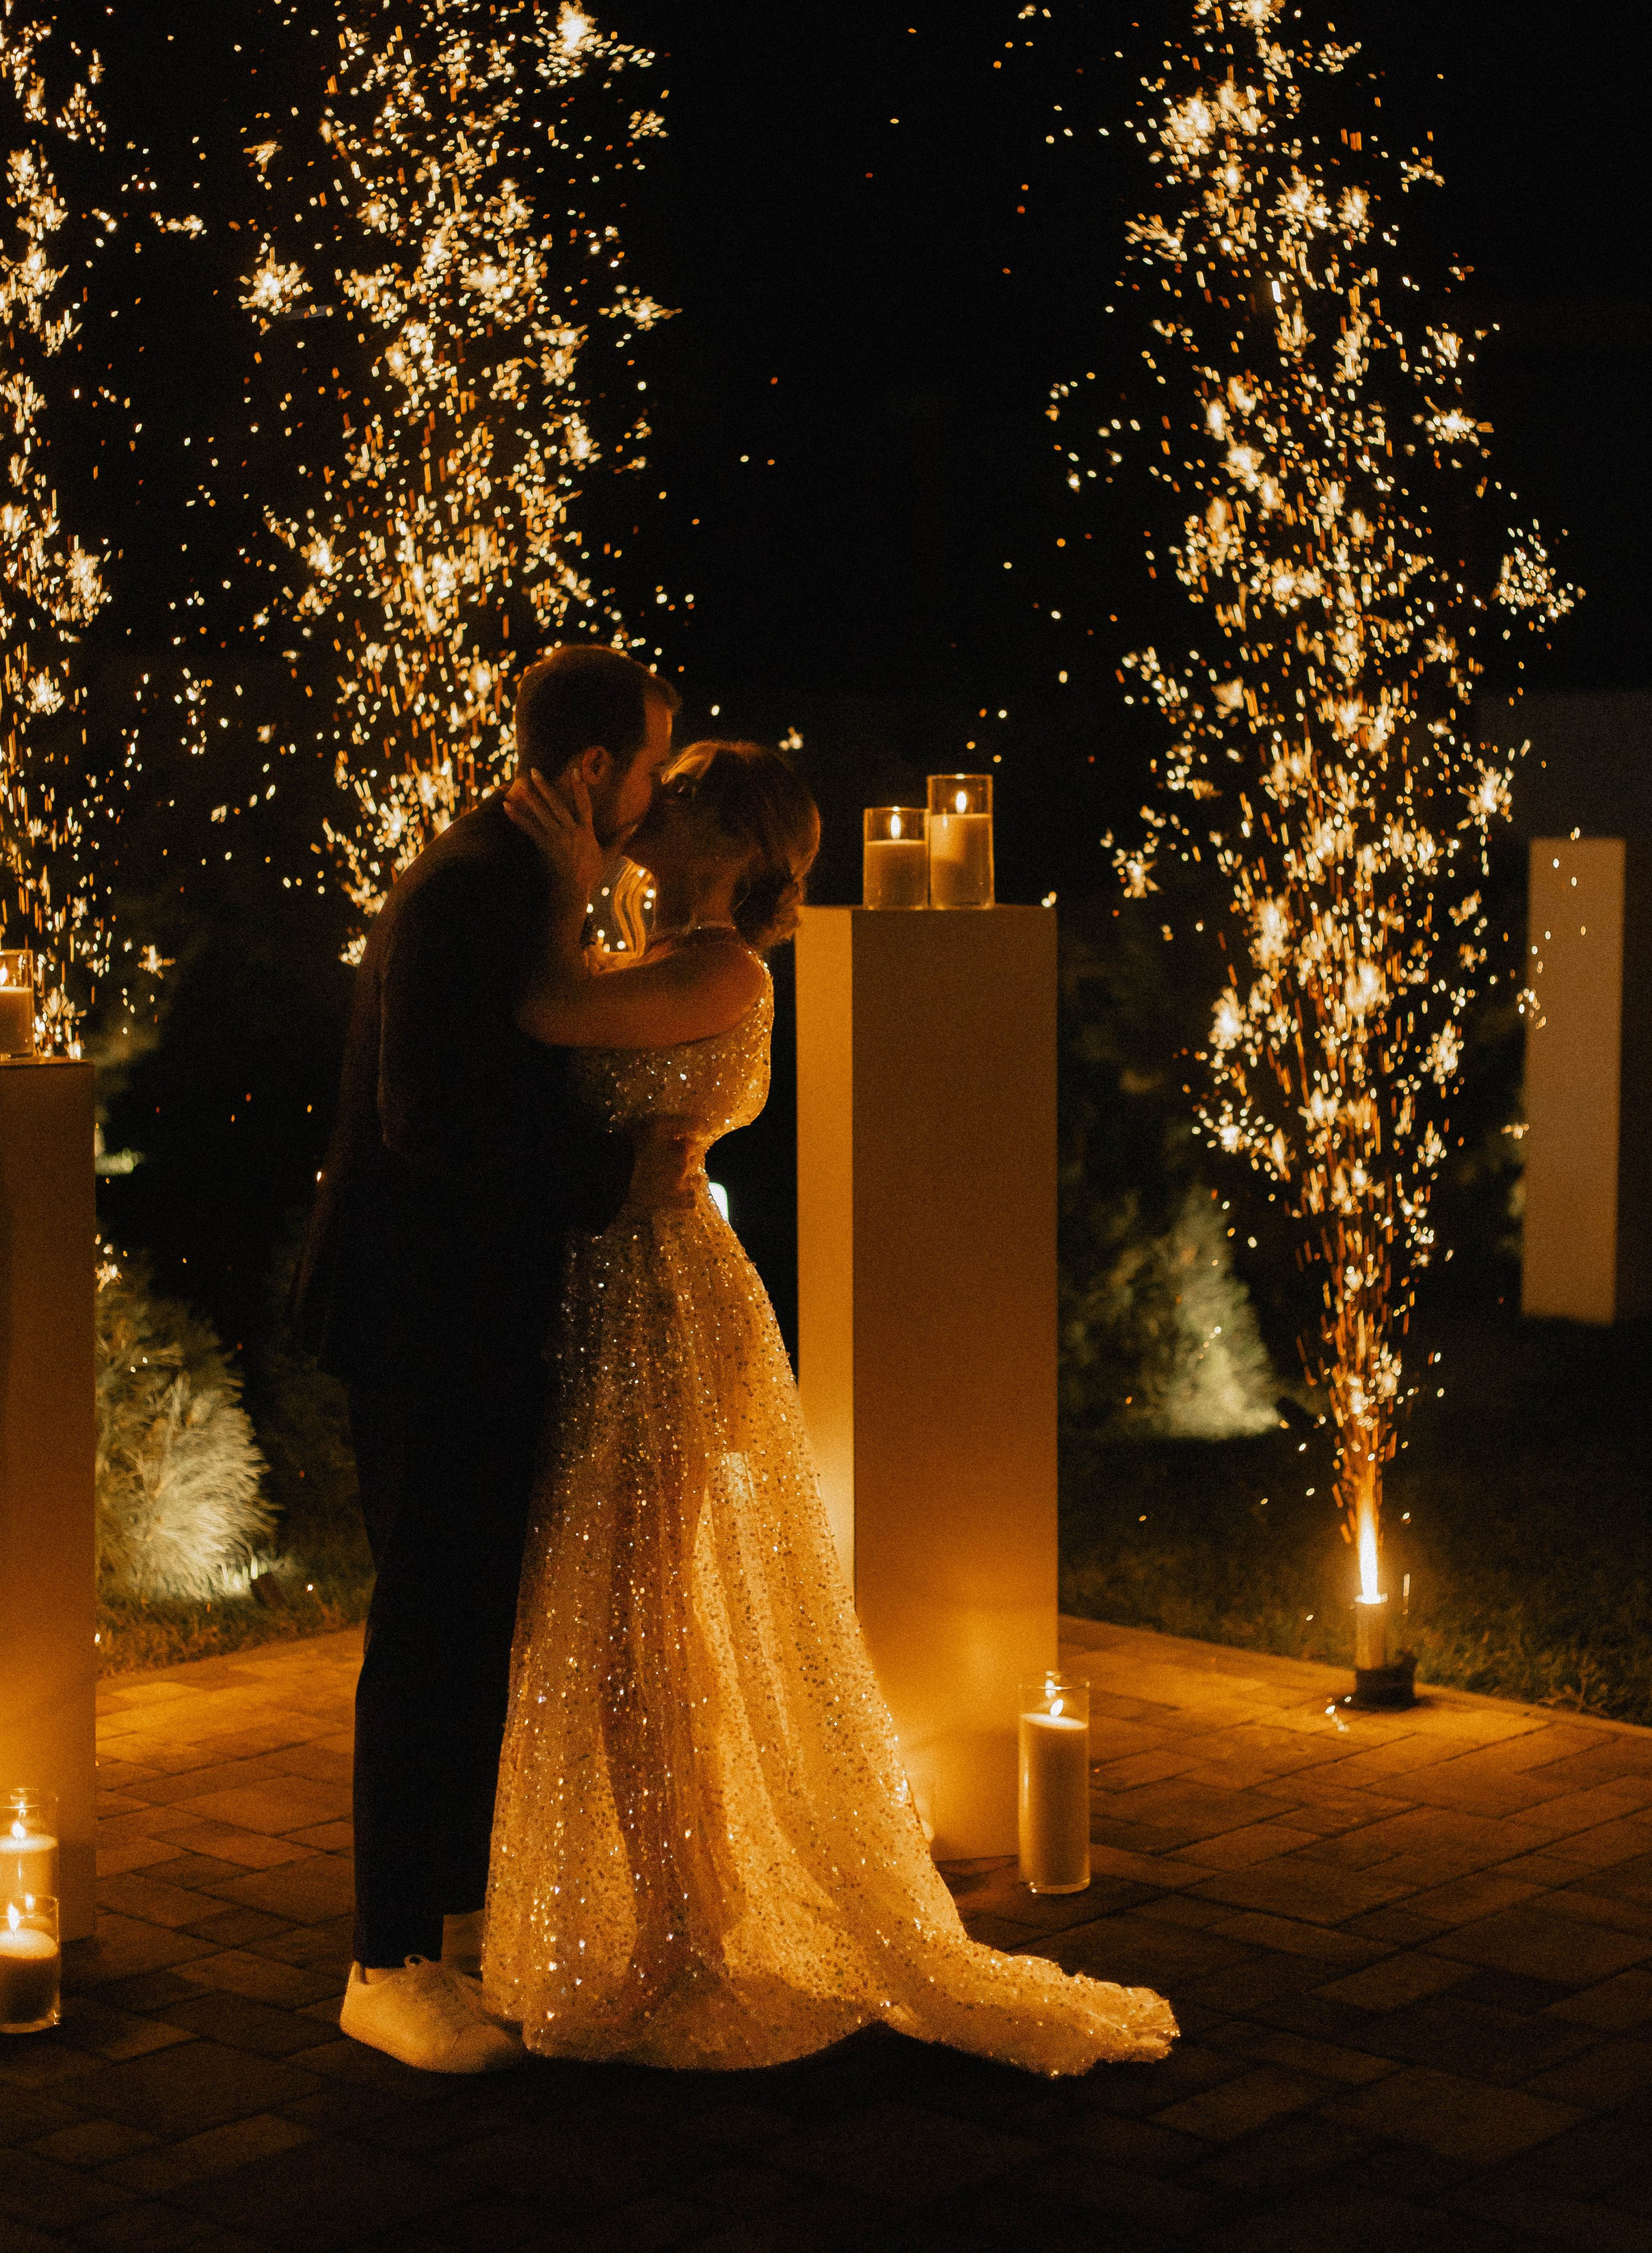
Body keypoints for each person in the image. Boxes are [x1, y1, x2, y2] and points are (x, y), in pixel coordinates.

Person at [483, 739, 1177, 2075]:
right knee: (626, 1627)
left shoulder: (720, 966)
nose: (645, 810)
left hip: (661, 1306)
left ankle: (684, 1929)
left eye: (674, 799)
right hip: (611, 1286)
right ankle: (667, 1913)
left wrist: (567, 883)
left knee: (648, 1632)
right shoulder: (660, 943)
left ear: (734, 845)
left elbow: (543, 1011)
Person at [295, 643, 694, 2073]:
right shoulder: (472, 888)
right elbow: (428, 1117)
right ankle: (382, 1959)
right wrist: (613, 1175)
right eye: (652, 762)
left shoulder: (523, 881)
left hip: (472, 1313)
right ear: (595, 770)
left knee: (469, 1633)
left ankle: (444, 1935)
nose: (658, 790)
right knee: (427, 1636)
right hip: (425, 1317)